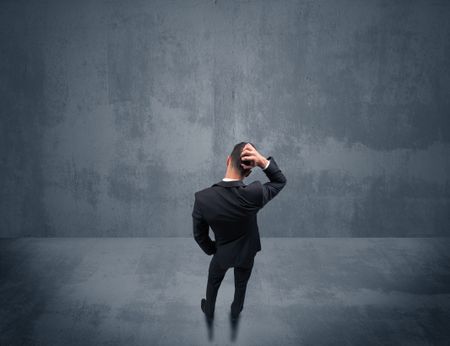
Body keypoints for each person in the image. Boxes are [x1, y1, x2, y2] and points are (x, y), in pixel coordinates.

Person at [192, 142, 287, 325]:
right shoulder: (254, 193)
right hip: (246, 253)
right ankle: (235, 311)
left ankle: (209, 310)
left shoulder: (202, 198)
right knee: (241, 285)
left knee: (213, 283)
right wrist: (261, 161)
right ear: (249, 172)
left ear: (228, 160)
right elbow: (280, 181)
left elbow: (199, 235)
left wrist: (213, 249)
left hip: (221, 254)